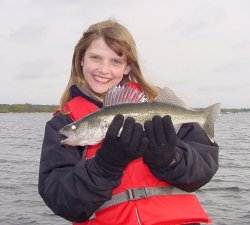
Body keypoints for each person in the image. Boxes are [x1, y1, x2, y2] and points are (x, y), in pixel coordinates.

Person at [38, 19, 219, 225]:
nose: (104, 69)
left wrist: (170, 158)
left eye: (116, 61)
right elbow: (62, 201)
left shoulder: (156, 104)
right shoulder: (62, 124)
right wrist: (105, 165)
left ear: (127, 67)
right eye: (96, 58)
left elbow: (204, 168)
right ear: (81, 60)